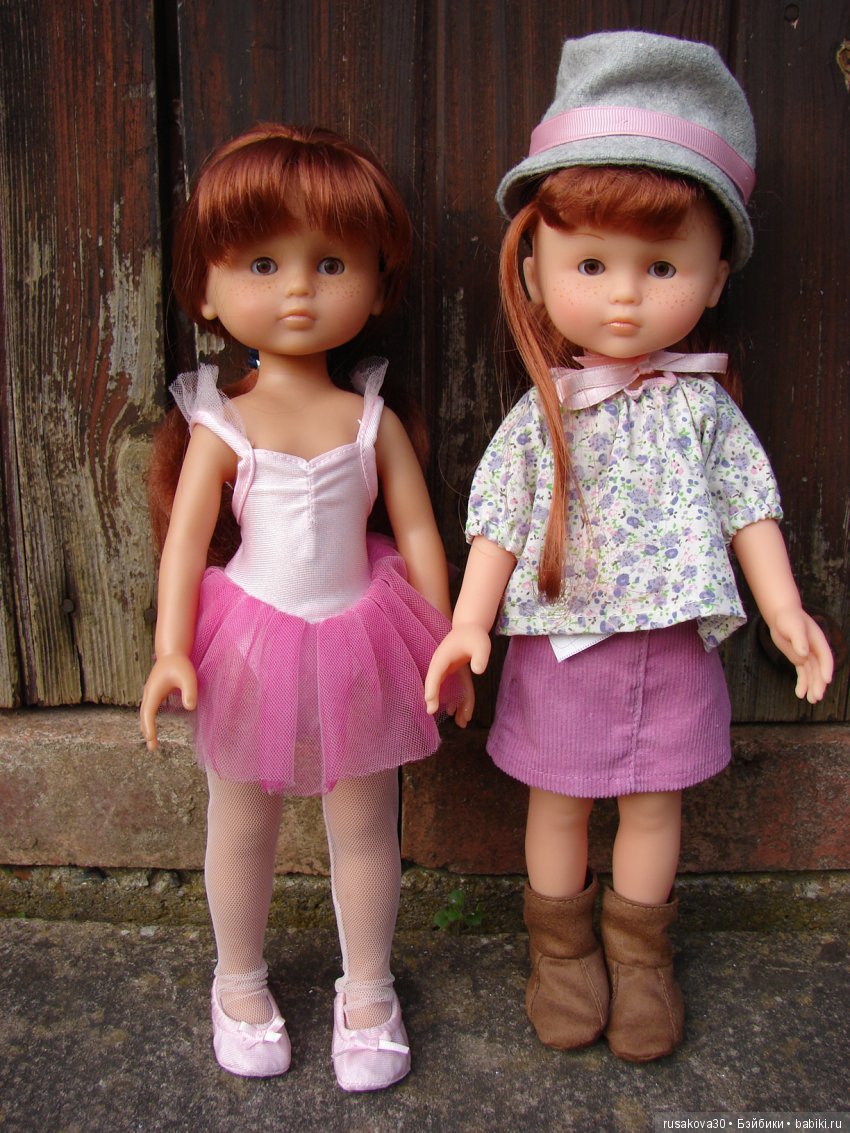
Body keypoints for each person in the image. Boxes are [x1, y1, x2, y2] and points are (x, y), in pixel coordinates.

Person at [424, 31, 833, 1062]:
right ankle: (562, 952)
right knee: (557, 802)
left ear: (715, 274)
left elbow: (748, 505)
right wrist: (467, 626)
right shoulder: (544, 415)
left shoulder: (701, 409)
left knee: (656, 807)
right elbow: (498, 520)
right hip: (561, 652)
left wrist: (784, 608)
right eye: (591, 263)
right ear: (535, 267)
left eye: (661, 266)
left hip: (674, 649)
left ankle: (641, 957)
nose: (623, 295)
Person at [140, 122, 466, 1090]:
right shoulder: (222, 424)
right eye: (262, 263)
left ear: (376, 284)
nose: (297, 289)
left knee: (365, 823)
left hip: (364, 637)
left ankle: (368, 986)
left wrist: (446, 640)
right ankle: (237, 978)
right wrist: (170, 648)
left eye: (330, 263)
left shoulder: (369, 419)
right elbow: (186, 545)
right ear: (206, 289)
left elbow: (418, 534)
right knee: (241, 821)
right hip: (249, 643)